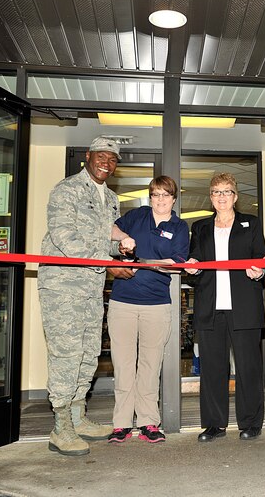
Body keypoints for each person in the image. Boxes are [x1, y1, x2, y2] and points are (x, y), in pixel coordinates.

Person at [37, 136, 136, 456]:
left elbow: (101, 241)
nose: (107, 163)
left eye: (113, 159)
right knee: (66, 355)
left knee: (89, 354)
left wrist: (119, 247)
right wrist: (109, 264)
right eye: (102, 157)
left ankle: (78, 418)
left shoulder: (110, 199)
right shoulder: (66, 190)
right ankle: (60, 426)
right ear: (89, 157)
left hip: (91, 288)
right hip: (63, 287)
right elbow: (64, 236)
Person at [105, 176, 189, 444]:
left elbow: (176, 262)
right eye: (155, 195)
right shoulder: (137, 216)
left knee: (150, 366)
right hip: (123, 303)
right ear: (150, 197)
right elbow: (111, 229)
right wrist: (125, 237)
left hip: (156, 305)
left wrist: (146, 262)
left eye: (166, 195)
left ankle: (148, 422)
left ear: (173, 199)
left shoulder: (179, 226)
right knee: (123, 364)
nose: (160, 200)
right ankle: (121, 424)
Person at [185, 173, 265, 442]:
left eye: (227, 191)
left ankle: (250, 423)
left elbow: (260, 261)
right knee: (212, 369)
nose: (222, 196)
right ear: (210, 197)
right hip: (210, 307)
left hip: (243, 307)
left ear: (235, 196)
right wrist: (192, 267)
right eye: (216, 192)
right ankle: (214, 424)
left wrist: (258, 272)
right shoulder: (200, 227)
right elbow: (194, 262)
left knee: (248, 367)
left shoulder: (251, 224)